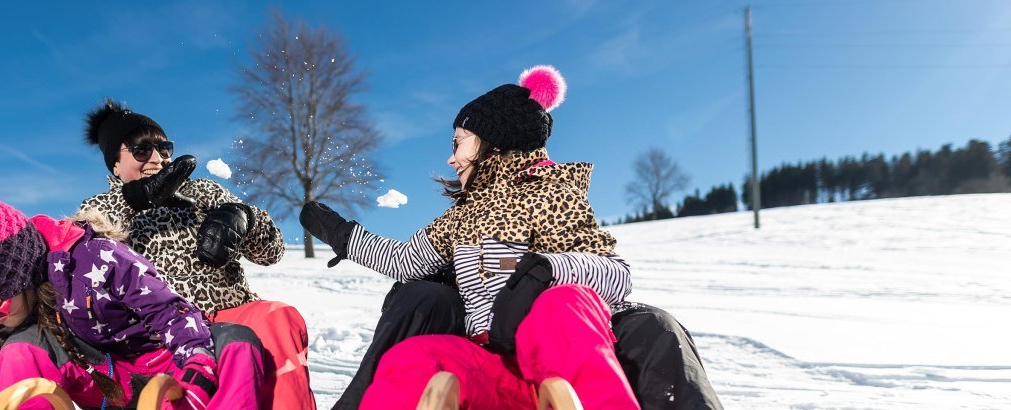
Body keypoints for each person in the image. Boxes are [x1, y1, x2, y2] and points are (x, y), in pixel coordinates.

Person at [306, 65, 720, 409]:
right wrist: (342, 234)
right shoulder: (462, 215)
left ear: (492, 143)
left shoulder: (550, 193)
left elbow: (616, 275)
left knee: (563, 304)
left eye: (458, 143)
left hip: (557, 357)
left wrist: (547, 270)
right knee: (413, 358)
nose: (450, 157)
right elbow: (407, 262)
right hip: (491, 359)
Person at [0, 165, 265, 410]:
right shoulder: (13, 324)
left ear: (20, 276)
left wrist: (197, 358)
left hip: (163, 364)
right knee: (18, 350)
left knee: (236, 340)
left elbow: (167, 310)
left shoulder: (94, 261)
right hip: (103, 384)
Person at [77, 99, 315, 410]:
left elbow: (272, 252)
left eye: (164, 149)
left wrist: (245, 220)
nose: (157, 158)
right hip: (162, 332)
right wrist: (136, 198)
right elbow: (78, 248)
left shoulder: (202, 192)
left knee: (278, 317)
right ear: (115, 164)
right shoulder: (102, 208)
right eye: (141, 150)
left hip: (232, 310)